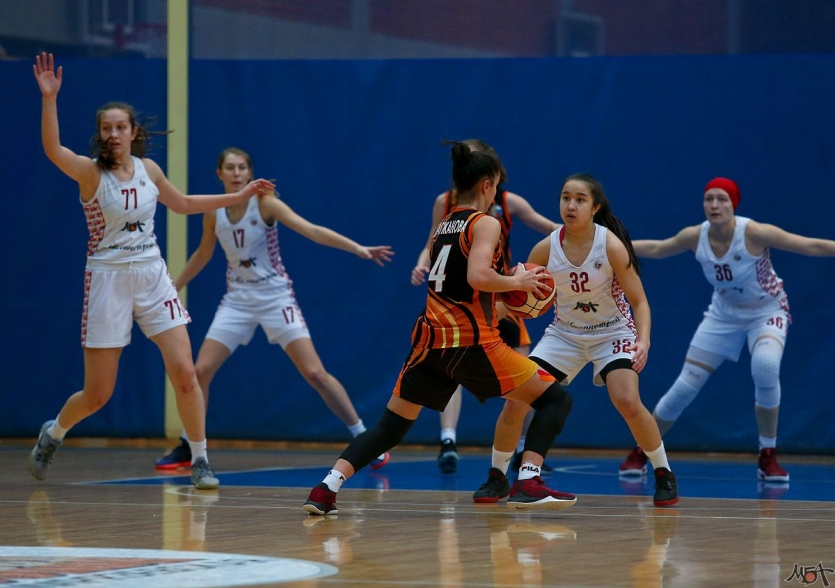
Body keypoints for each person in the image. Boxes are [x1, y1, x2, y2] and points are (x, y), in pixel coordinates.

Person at [28, 53, 276, 489]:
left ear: (134, 132)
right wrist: (50, 99)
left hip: (151, 274)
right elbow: (53, 150)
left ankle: (200, 460)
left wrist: (239, 196)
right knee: (98, 394)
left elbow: (183, 204)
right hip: (107, 279)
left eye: (120, 127)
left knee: (186, 373)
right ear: (101, 135)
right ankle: (55, 432)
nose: (113, 134)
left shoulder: (149, 170)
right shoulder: (90, 173)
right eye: (107, 128)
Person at [303, 141, 576, 515]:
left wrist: (504, 296)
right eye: (495, 186)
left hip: (429, 343)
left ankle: (325, 488)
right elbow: (478, 276)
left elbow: (462, 284)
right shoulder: (485, 222)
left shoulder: (445, 224)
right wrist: (518, 283)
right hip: (471, 343)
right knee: (555, 399)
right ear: (486, 185)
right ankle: (528, 480)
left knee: (390, 427)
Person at [153, 147, 394, 470]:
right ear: (219, 173)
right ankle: (189, 445)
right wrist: (173, 287)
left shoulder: (265, 203)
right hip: (237, 300)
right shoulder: (214, 212)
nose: (236, 173)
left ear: (250, 173)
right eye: (230, 168)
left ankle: (363, 436)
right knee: (200, 371)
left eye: (242, 167)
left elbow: (311, 230)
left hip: (275, 297)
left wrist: (357, 248)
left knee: (315, 373)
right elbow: (203, 254)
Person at [619, 177, 835, 482]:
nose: (714, 205)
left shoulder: (754, 232)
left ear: (734, 204)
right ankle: (643, 450)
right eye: (709, 199)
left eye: (722, 199)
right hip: (723, 315)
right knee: (684, 387)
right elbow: (656, 247)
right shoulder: (695, 236)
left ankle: (767, 455)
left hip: (766, 311)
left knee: (765, 365)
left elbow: (810, 245)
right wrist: (607, 247)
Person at [524, 173, 679, 507]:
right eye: (566, 198)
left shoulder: (610, 245)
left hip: (612, 331)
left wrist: (644, 341)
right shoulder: (545, 248)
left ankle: (663, 471)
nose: (571, 205)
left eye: (580, 200)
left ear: (595, 207)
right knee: (519, 397)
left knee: (627, 400)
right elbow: (520, 295)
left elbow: (640, 302)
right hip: (565, 333)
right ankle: (500, 475)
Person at [411, 139, 559, 474]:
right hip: (470, 296)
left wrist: (593, 237)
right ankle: (449, 440)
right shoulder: (446, 203)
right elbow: (432, 242)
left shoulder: (508, 202)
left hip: (503, 294)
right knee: (454, 371)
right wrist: (422, 263)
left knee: (523, 372)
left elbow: (549, 227)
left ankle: (519, 447)